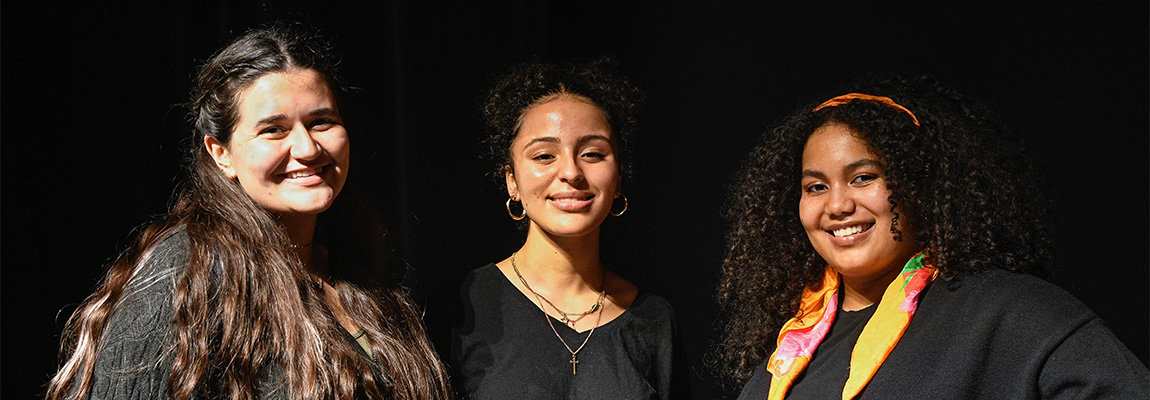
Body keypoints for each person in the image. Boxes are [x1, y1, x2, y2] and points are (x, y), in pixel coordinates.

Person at [46, 23, 451, 400]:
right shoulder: (190, 270)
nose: (308, 149)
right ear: (220, 154)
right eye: (273, 129)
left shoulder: (353, 268)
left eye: (321, 121)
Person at [716, 76, 1149, 399]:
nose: (837, 205)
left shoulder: (1011, 315)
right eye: (815, 187)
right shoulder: (780, 359)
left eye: (864, 177)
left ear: (919, 185)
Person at [450, 59, 690, 399]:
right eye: (545, 156)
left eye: (592, 153)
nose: (571, 172)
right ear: (511, 181)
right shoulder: (460, 307)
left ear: (618, 178)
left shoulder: (653, 319)